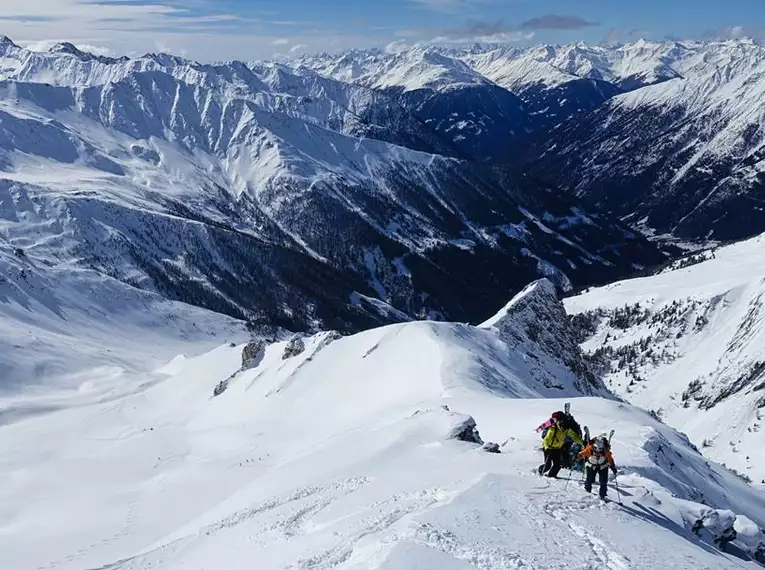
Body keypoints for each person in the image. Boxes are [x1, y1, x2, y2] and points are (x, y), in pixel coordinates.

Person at [537, 411, 584, 478]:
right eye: (562, 428)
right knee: (547, 465)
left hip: (558, 448)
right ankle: (539, 471)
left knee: (558, 465)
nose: (563, 429)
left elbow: (574, 437)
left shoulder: (566, 429)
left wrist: (582, 442)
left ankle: (551, 477)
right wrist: (546, 448)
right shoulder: (552, 428)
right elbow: (546, 439)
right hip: (548, 448)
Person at [577, 435, 618, 499]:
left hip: (603, 466)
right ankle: (587, 491)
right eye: (596, 449)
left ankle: (602, 495)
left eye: (600, 449)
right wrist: (577, 457)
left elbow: (610, 459)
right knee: (590, 480)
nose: (598, 452)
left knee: (603, 481)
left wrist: (613, 466)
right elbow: (582, 453)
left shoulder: (606, 450)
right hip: (591, 465)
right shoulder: (590, 449)